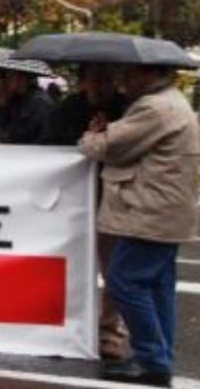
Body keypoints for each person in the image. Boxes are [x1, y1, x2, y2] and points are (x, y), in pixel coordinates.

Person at [80, 64, 199, 387]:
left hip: (148, 212)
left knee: (124, 282)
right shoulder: (173, 101)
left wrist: (93, 134)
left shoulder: (153, 108)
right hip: (166, 212)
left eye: (130, 74)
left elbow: (104, 147)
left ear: (150, 74)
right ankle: (158, 358)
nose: (124, 81)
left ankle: (152, 361)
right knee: (157, 288)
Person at [42, 63, 131, 360]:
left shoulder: (128, 109)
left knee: (113, 269)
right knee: (65, 265)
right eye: (95, 80)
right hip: (70, 199)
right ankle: (64, 326)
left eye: (107, 79)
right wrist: (86, 138)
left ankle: (109, 332)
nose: (101, 86)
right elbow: (47, 148)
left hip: (114, 198)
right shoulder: (67, 109)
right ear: (83, 83)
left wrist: (107, 135)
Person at [0, 70, 54, 144]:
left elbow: (15, 137)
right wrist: (0, 105)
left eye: (8, 76)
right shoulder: (16, 99)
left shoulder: (39, 103)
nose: (4, 82)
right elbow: (0, 129)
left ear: (21, 78)